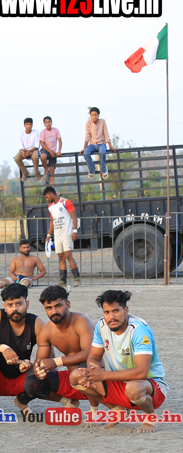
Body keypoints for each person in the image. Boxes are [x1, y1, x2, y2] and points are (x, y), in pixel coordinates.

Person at [72, 290, 167, 432]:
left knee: (133, 388)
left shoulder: (139, 330)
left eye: (116, 311)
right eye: (107, 312)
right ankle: (118, 410)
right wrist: (93, 370)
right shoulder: (101, 325)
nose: (111, 317)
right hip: (120, 381)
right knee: (76, 376)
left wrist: (103, 375)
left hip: (151, 385)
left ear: (126, 310)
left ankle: (151, 416)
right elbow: (94, 357)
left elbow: (141, 373)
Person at [0, 283, 43, 415]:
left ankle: (22, 401)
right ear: (5, 306)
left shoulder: (37, 322)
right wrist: (3, 348)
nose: (14, 308)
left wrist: (31, 364)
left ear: (27, 304)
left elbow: (48, 356)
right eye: (10, 305)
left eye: (19, 304)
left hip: (23, 377)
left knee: (46, 369)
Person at [24, 285, 94, 410]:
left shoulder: (82, 321)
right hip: (70, 379)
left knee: (85, 368)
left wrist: (56, 362)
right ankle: (68, 401)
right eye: (49, 308)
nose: (54, 311)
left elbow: (89, 353)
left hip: (92, 378)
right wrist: (39, 370)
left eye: (58, 306)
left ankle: (95, 409)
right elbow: (40, 362)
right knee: (31, 383)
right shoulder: (46, 331)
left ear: (67, 304)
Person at [43, 185, 81, 287]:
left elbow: (74, 217)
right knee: (61, 257)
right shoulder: (50, 207)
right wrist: (49, 235)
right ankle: (63, 281)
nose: (47, 199)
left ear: (51, 194)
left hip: (67, 234)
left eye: (47, 197)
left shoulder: (65, 202)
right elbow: (52, 221)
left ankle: (76, 278)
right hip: (57, 235)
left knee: (68, 256)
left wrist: (75, 231)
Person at [82, 106, 115, 180]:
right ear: (90, 116)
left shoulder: (102, 121)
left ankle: (103, 170)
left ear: (98, 115)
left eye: (95, 115)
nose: (94, 116)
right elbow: (87, 135)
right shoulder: (88, 123)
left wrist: (110, 146)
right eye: (92, 115)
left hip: (101, 143)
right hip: (92, 144)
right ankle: (91, 170)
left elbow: (106, 133)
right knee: (86, 153)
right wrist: (84, 148)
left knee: (102, 152)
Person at [14, 117, 42, 182]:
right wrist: (23, 152)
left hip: (33, 150)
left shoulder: (36, 132)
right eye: (27, 124)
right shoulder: (20, 134)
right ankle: (25, 172)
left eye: (30, 124)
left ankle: (36, 172)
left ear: (32, 125)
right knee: (16, 158)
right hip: (24, 150)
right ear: (24, 125)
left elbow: (37, 146)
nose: (29, 126)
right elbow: (20, 146)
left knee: (35, 157)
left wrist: (29, 151)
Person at [39, 116, 62, 185]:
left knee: (52, 170)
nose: (48, 124)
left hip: (53, 151)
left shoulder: (56, 130)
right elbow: (42, 143)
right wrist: (50, 151)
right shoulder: (43, 132)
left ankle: (52, 187)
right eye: (46, 122)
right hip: (46, 150)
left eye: (49, 122)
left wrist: (59, 151)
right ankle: (46, 171)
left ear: (51, 122)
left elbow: (60, 141)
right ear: (44, 124)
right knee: (43, 157)